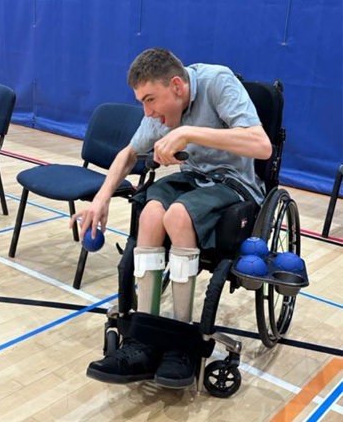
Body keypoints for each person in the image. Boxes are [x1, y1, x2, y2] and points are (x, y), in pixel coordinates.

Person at [73, 48, 271, 388]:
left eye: (150, 100)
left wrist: (189, 133)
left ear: (177, 86)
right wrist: (101, 198)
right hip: (193, 179)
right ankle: (144, 341)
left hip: (234, 184)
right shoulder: (157, 111)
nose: (147, 111)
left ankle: (181, 345)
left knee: (178, 215)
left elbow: (261, 145)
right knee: (150, 213)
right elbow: (129, 152)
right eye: (141, 102)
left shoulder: (217, 82)